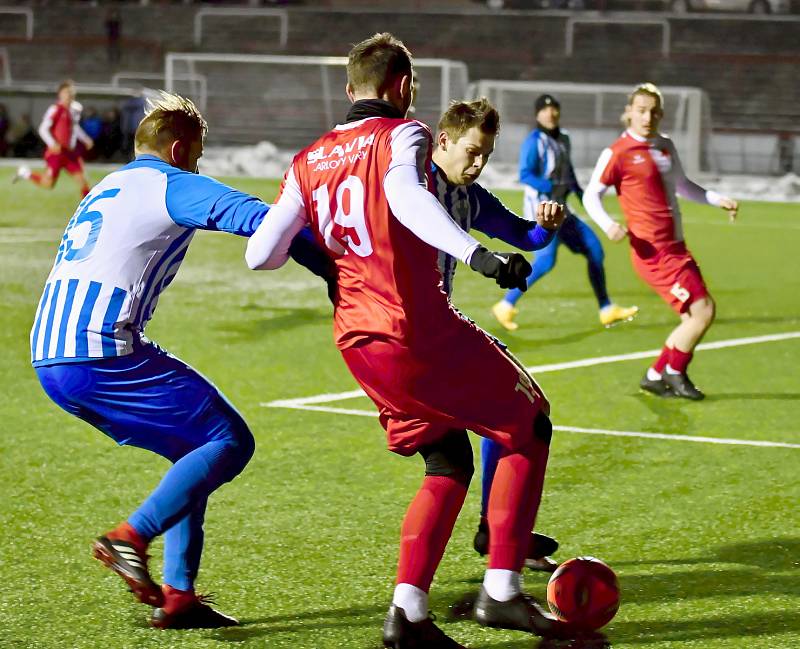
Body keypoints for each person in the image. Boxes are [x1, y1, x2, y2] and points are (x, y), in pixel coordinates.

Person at [246, 33, 578, 647]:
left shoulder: (307, 158)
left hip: (357, 342)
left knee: (447, 459)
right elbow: (402, 195)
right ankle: (501, 591)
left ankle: (408, 614)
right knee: (530, 423)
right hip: (413, 326)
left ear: (350, 89)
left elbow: (260, 253)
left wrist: (336, 264)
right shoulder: (405, 134)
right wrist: (479, 257)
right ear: (403, 87)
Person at [31, 92, 272, 629]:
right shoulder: (172, 181)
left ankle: (179, 597)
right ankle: (131, 536)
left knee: (193, 450)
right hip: (99, 351)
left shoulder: (109, 185)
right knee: (229, 440)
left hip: (52, 353)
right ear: (181, 149)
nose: (199, 167)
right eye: (198, 155)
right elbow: (253, 217)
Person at [429, 97, 565, 572]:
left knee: (516, 413)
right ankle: (498, 547)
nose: (478, 163)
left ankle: (497, 533)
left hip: (441, 326)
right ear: (443, 140)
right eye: (471, 151)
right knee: (518, 416)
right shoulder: (412, 184)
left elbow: (520, 233)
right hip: (413, 334)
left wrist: (545, 228)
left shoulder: (470, 195)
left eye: (486, 154)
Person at [582, 83, 738, 400]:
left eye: (653, 111)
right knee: (703, 311)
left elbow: (682, 186)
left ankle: (655, 375)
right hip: (653, 253)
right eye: (641, 110)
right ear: (629, 113)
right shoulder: (618, 152)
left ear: (661, 114)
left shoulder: (665, 146)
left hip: (675, 247)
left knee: (691, 318)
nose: (647, 116)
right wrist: (608, 224)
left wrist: (716, 199)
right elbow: (591, 195)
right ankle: (675, 371)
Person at [491, 93, 639, 331]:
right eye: (545, 110)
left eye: (554, 109)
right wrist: (551, 187)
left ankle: (606, 309)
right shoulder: (534, 141)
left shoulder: (564, 139)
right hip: (542, 214)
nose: (550, 113)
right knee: (546, 261)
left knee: (595, 250)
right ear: (538, 114)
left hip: (563, 212)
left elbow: (567, 171)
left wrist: (582, 194)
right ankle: (506, 304)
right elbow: (525, 174)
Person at [13, 80, 94, 198]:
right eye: (67, 92)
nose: (69, 95)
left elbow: (74, 128)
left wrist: (86, 139)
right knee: (48, 184)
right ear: (60, 94)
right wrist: (52, 143)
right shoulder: (55, 109)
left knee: (83, 182)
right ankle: (25, 173)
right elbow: (42, 129)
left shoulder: (74, 109)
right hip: (56, 153)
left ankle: (86, 213)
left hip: (69, 153)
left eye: (71, 92)